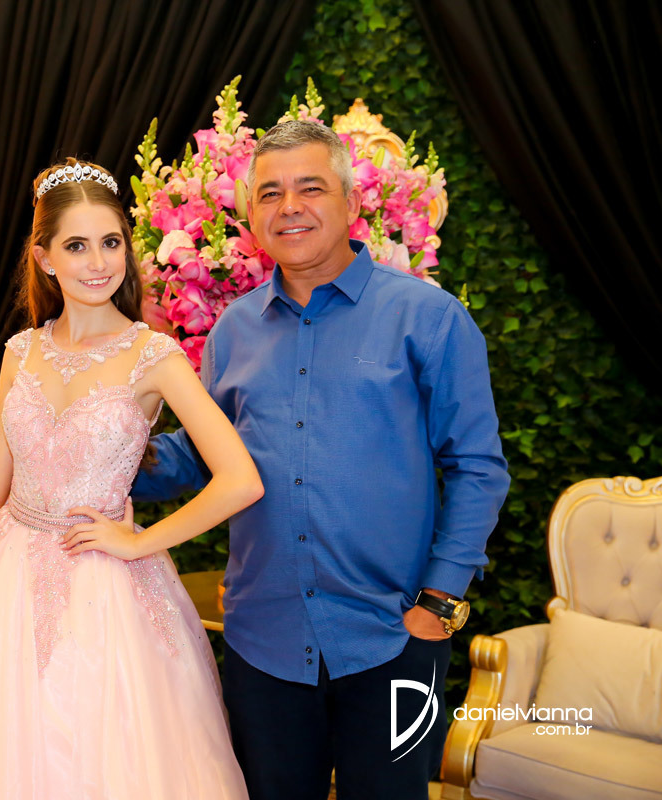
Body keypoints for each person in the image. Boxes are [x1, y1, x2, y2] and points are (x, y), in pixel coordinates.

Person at [0, 159, 262, 800]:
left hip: (106, 591)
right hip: (0, 582)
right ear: (44, 258)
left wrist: (138, 542)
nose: (98, 262)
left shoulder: (154, 356)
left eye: (111, 242)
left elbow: (240, 480)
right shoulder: (21, 351)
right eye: (76, 245)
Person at [133, 119, 511, 800]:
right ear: (251, 215)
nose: (290, 207)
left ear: (351, 201)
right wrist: (102, 450)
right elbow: (202, 456)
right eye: (270, 193)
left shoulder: (428, 318)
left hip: (394, 639)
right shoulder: (234, 329)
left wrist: (438, 604)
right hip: (262, 642)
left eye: (310, 188)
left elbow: (478, 467)